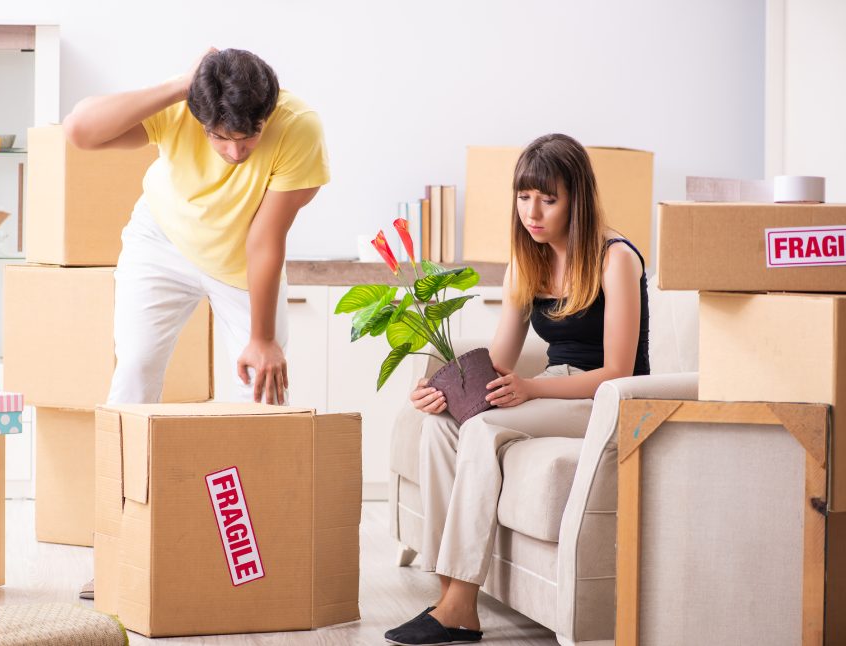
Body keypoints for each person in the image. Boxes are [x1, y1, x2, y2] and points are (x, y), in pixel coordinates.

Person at [62, 48, 329, 600]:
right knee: (132, 379)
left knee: (261, 400)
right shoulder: (181, 106)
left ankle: (249, 559)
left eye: (247, 137)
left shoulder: (299, 127)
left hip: (239, 262)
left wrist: (261, 338)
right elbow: (80, 132)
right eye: (219, 136)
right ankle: (118, 553)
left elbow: (265, 239)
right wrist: (181, 84)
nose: (234, 151)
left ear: (268, 112)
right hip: (161, 242)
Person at [384, 133, 649, 645]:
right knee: (443, 426)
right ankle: (451, 598)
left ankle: (456, 608)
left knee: (482, 429)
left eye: (549, 199)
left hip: (604, 400)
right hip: (551, 388)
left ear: (578, 199)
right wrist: (441, 389)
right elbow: (499, 362)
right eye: (525, 197)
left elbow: (619, 371)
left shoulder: (615, 259)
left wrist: (528, 388)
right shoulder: (527, 262)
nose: (534, 211)